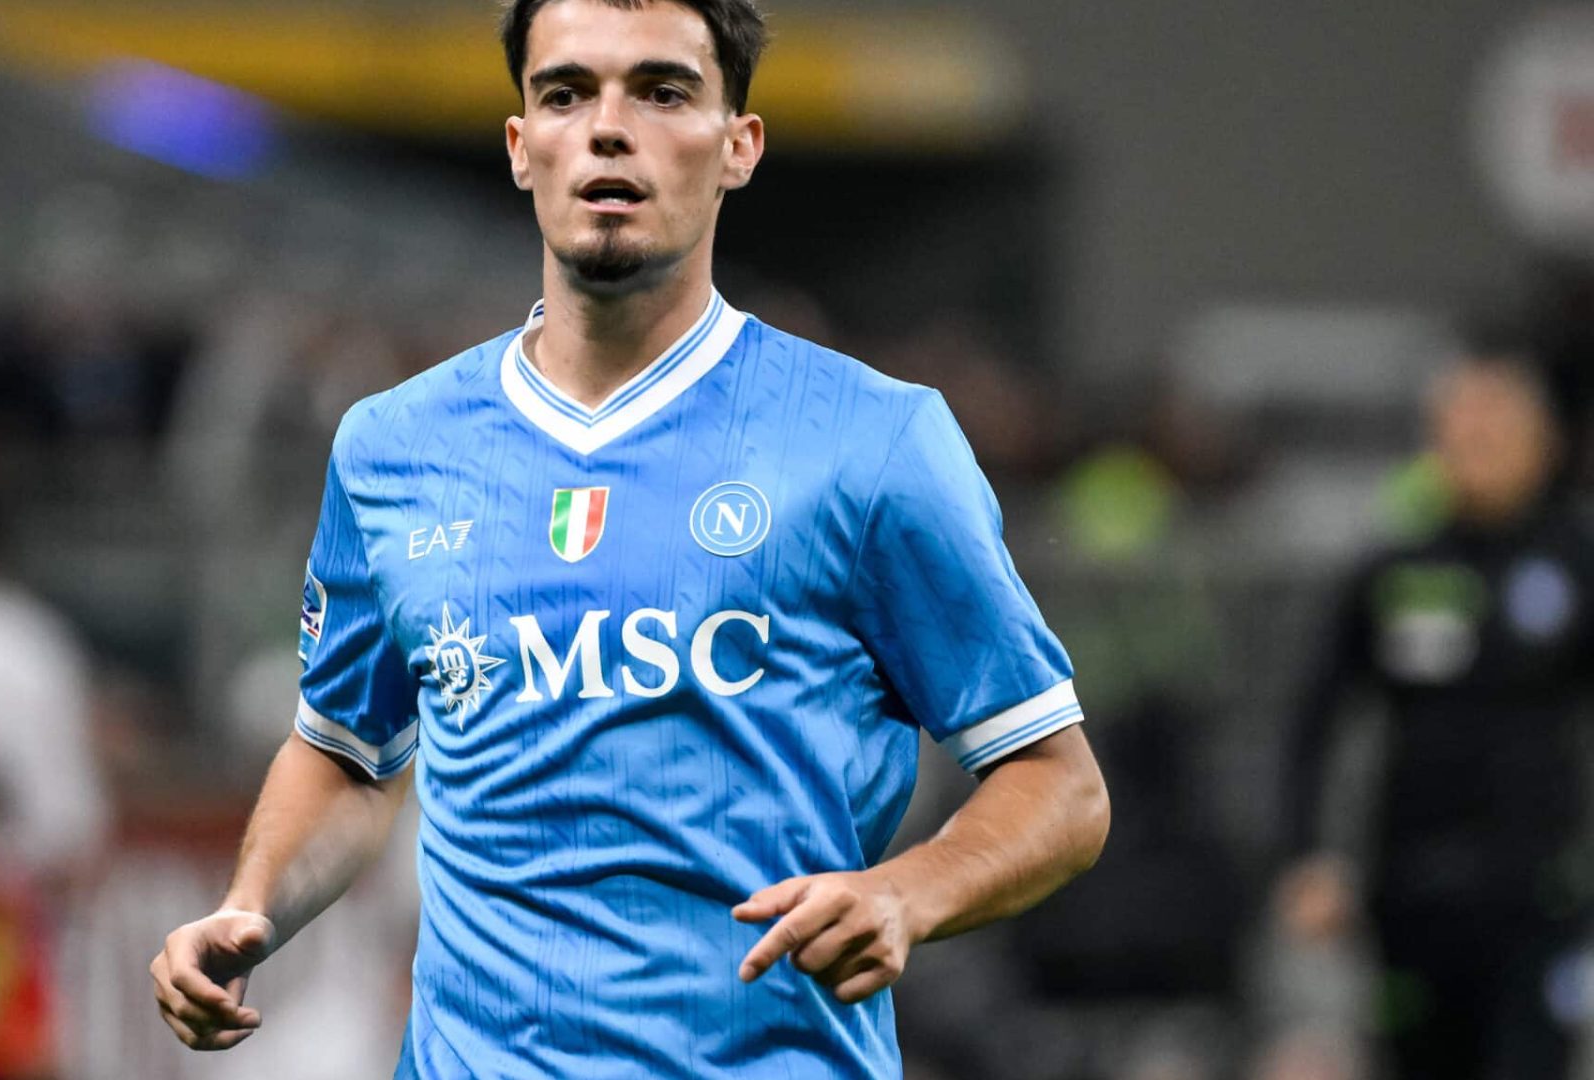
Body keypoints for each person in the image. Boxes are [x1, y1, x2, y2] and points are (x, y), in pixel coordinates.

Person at [150, 1, 1110, 1074]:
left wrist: (908, 891)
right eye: (566, 94)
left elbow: (1058, 783)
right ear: (522, 148)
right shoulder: (392, 448)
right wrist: (251, 908)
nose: (609, 129)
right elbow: (347, 759)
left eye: (661, 91)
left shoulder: (873, 440)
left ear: (738, 145)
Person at [1279, 345, 1594, 1079]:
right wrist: (1306, 856)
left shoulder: (1575, 562)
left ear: (1543, 439)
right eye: (1461, 421)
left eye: (1497, 423)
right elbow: (1315, 717)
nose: (1476, 439)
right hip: (1410, 897)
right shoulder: (1396, 567)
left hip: (1538, 899)